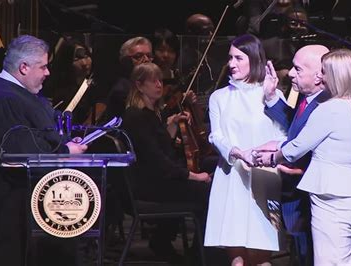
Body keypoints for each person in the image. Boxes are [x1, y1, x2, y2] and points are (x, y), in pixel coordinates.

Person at [0, 35, 87, 266]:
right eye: (43, 66)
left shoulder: (19, 95)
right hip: (10, 212)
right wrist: (65, 151)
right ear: (24, 67)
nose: (47, 73)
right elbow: (20, 154)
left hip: (30, 209)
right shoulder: (5, 99)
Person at [254, 48, 351, 265]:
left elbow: (296, 148)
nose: (320, 77)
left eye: (325, 72)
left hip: (333, 197)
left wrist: (271, 158)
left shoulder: (329, 108)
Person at [204, 33, 286, 265]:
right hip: (231, 178)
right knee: (236, 256)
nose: (232, 64)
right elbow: (216, 135)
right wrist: (237, 152)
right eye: (230, 58)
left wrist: (263, 154)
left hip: (265, 177)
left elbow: (283, 136)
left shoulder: (271, 95)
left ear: (254, 58)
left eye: (239, 58)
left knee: (262, 252)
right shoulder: (219, 97)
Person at [121, 62, 211, 262]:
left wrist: (170, 127)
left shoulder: (150, 114)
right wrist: (194, 176)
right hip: (147, 185)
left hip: (155, 179)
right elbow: (156, 160)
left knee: (204, 178)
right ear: (139, 85)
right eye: (153, 81)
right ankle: (199, 255)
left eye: (160, 80)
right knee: (206, 193)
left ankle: (163, 239)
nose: (159, 85)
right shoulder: (136, 117)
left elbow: (161, 148)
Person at [257, 44, 330, 266]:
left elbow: (308, 145)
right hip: (296, 195)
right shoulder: (308, 99)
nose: (290, 73)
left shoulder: (326, 105)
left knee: (309, 255)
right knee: (299, 254)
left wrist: (282, 158)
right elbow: (297, 130)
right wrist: (271, 97)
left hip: (309, 197)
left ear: (318, 76)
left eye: (297, 69)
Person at [43, 36, 105, 125]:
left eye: (86, 56)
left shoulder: (94, 84)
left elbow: (102, 102)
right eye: (77, 59)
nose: (84, 63)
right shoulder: (53, 87)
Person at [100, 36, 153, 124]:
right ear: (125, 61)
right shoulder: (121, 90)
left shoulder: (151, 85)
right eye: (138, 56)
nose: (146, 60)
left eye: (149, 56)